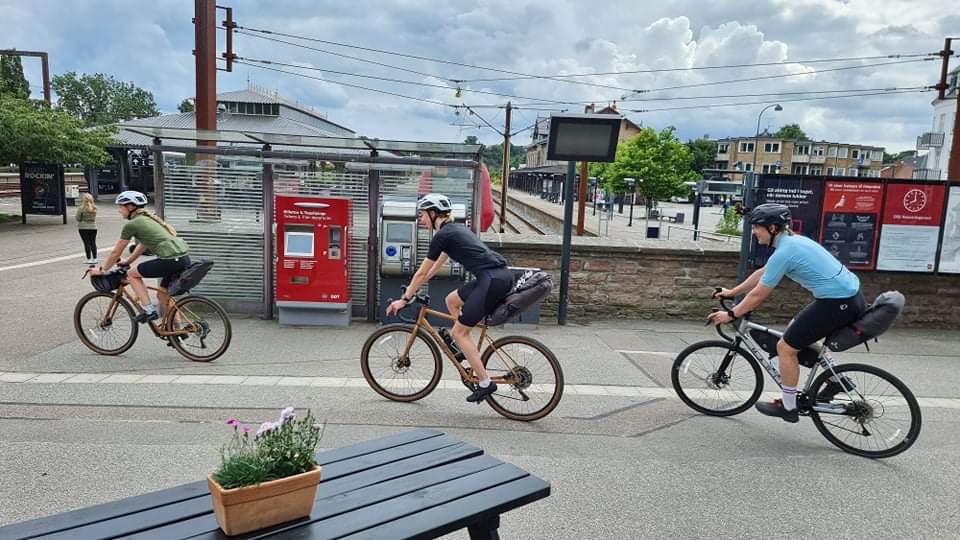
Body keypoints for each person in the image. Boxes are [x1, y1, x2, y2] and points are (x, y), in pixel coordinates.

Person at [707, 203, 864, 423]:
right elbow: (764, 272)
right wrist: (733, 291)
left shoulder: (786, 252)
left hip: (837, 304)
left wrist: (731, 315)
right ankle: (838, 379)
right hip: (846, 299)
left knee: (785, 347)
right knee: (793, 331)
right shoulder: (792, 243)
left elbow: (758, 294)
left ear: (772, 229)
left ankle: (789, 407)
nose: (753, 232)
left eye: (757, 228)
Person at [386, 193, 514, 403]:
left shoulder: (443, 236)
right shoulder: (454, 230)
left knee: (459, 332)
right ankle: (464, 345)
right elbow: (434, 268)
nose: (421, 218)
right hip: (495, 277)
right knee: (451, 300)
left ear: (434, 213)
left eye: (423, 214)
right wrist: (415, 286)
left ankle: (485, 382)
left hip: (492, 281)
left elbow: (421, 273)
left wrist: (405, 298)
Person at [89, 191, 191, 323]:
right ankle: (179, 331)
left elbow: (116, 251)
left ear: (130, 207)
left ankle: (149, 310)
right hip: (182, 259)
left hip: (170, 260)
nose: (119, 210)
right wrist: (128, 260)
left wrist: (102, 270)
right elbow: (143, 244)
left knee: (131, 274)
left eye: (121, 207)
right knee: (162, 294)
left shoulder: (133, 224)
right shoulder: (149, 219)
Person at [76, 193, 98, 265]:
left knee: (86, 243)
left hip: (83, 227)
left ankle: (88, 259)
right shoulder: (94, 208)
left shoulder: (81, 208)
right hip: (93, 227)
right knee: (93, 242)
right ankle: (95, 258)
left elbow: (78, 218)